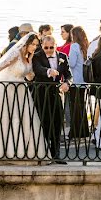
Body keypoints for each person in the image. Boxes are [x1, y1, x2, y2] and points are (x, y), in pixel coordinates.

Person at [31, 35, 72, 163]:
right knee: (43, 123)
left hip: (57, 95)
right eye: (46, 47)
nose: (48, 50)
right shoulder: (37, 56)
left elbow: (69, 75)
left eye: (51, 47)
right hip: (41, 94)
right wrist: (49, 71)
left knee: (57, 123)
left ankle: (56, 155)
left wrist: (67, 83)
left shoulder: (63, 57)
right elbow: (38, 70)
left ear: (55, 45)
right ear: (42, 46)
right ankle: (42, 153)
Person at [67, 26, 91, 140]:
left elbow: (71, 63)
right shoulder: (86, 46)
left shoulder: (74, 46)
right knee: (82, 106)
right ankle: (84, 131)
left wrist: (65, 59)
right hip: (84, 81)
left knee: (74, 107)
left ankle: (75, 132)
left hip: (75, 80)